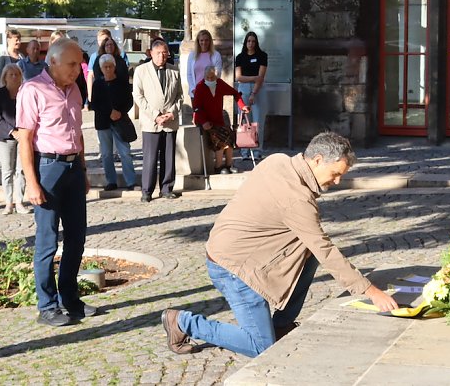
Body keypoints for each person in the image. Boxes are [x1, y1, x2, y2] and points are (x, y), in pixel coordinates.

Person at [161, 132, 399, 358]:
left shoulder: (278, 161)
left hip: (234, 249)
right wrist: (370, 290)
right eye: (336, 173)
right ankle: (181, 322)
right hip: (234, 268)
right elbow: (326, 250)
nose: (337, 181)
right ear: (317, 160)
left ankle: (281, 326)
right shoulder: (297, 198)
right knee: (261, 347)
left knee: (308, 254)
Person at [17, 38, 97, 327]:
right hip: (47, 167)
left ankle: (70, 299)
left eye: (79, 64)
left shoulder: (75, 88)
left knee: (77, 238)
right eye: (72, 64)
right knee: (47, 241)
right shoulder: (32, 90)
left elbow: (78, 131)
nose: (78, 70)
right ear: (52, 62)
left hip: (73, 166)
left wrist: (84, 169)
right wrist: (31, 182)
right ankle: (47, 305)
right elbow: (24, 138)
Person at [132, 39, 183, 202]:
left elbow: (180, 96)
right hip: (151, 121)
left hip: (170, 121)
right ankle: (147, 190)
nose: (162, 56)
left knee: (168, 157)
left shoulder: (174, 71)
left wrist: (171, 113)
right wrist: (155, 115)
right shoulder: (141, 70)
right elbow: (138, 96)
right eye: (159, 53)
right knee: (150, 158)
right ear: (151, 53)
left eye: (165, 53)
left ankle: (167, 187)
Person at [92, 54, 136, 191]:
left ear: (114, 67)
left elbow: (129, 101)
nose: (108, 69)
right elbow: (95, 104)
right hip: (103, 122)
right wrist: (108, 112)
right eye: (105, 67)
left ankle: (131, 181)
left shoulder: (122, 82)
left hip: (120, 121)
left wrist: (120, 112)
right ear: (101, 68)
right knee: (106, 154)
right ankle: (111, 181)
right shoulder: (97, 84)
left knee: (125, 152)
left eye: (110, 66)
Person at [193, 65, 248, 174]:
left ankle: (228, 165)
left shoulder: (220, 84)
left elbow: (235, 93)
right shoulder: (200, 87)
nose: (209, 80)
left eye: (212, 78)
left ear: (216, 77)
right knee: (221, 140)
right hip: (205, 121)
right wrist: (203, 122)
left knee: (230, 137)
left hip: (218, 121)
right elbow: (197, 108)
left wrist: (242, 106)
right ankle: (218, 167)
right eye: (207, 77)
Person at [0, 64, 29, 215]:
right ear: (5, 77)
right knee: (7, 170)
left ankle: (19, 201)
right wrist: (12, 131)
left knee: (22, 170)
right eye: (11, 74)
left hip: (23, 136)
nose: (14, 77)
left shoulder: (25, 93)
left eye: (17, 74)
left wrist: (24, 132)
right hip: (4, 137)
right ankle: (8, 202)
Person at [234, 31, 269, 160]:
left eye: (253, 41)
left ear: (256, 43)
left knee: (258, 120)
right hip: (243, 90)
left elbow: (261, 78)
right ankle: (244, 151)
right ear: (245, 42)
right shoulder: (240, 57)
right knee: (244, 120)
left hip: (258, 89)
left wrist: (253, 92)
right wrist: (253, 77)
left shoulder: (262, 56)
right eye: (249, 41)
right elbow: (238, 77)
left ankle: (257, 150)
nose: (251, 43)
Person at [184, 29, 223, 98]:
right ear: (198, 41)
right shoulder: (192, 55)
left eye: (206, 40)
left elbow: (218, 74)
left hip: (210, 92)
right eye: (201, 40)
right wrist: (193, 89)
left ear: (210, 41)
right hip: (195, 93)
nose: (204, 42)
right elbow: (189, 74)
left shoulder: (216, 55)